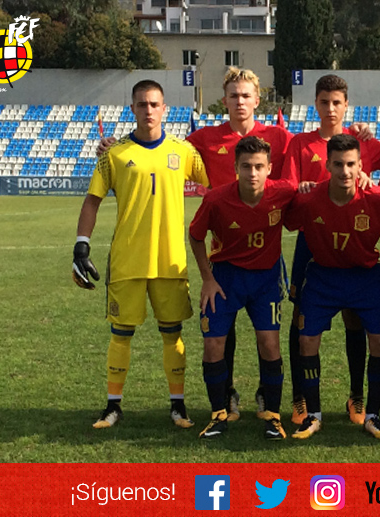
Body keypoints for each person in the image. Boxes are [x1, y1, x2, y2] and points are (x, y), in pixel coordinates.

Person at [97, 68, 294, 422]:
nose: (240, 102)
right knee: (223, 330)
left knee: (269, 335)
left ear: (257, 99)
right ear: (225, 99)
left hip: (264, 251)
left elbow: (304, 173)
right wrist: (113, 146)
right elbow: (160, 150)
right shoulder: (203, 138)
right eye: (233, 95)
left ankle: (267, 393)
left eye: (246, 95)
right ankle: (228, 393)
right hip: (221, 251)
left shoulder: (280, 137)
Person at [72, 79, 208, 429]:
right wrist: (81, 245)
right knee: (121, 334)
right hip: (127, 261)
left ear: (165, 109)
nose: (148, 111)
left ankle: (178, 406)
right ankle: (113, 406)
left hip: (170, 260)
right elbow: (92, 201)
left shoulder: (185, 152)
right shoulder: (114, 154)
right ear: (132, 109)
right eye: (142, 105)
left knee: (172, 333)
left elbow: (219, 187)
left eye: (154, 104)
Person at [281, 74, 380, 427]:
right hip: (313, 245)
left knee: (355, 319)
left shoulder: (365, 142)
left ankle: (356, 396)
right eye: (324, 101)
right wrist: (301, 186)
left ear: (346, 105)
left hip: (354, 248)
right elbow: (288, 187)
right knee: (302, 322)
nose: (330, 108)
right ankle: (301, 398)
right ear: (316, 104)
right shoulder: (301, 143)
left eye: (337, 102)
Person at [188, 137, 294, 440]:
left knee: (269, 343)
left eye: (259, 166)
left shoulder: (283, 193)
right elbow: (195, 236)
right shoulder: (216, 199)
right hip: (225, 279)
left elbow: (312, 196)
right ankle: (218, 413)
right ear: (235, 167)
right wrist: (207, 279)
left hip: (265, 280)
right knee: (213, 346)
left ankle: (273, 416)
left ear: (270, 168)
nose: (253, 173)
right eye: (246, 166)